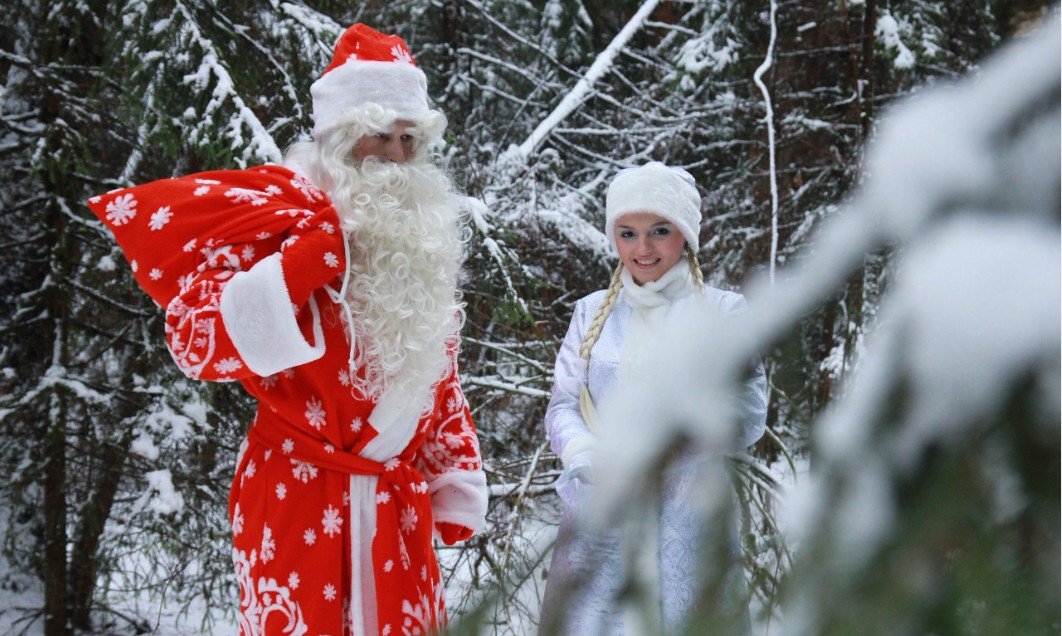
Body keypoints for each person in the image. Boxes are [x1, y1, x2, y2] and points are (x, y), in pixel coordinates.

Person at [87, 24, 487, 635]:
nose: (395, 155)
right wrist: (297, 267)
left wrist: (453, 471)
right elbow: (195, 343)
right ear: (340, 138)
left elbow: (438, 371)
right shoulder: (279, 219)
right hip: (295, 500)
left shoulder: (420, 240)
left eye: (408, 138)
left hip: (395, 511)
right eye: (379, 134)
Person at [540, 162, 768, 633]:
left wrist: (674, 449)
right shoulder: (590, 313)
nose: (642, 249)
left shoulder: (723, 312)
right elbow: (563, 405)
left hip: (690, 511)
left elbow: (748, 411)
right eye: (628, 233)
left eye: (659, 231)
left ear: (686, 234)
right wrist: (585, 454)